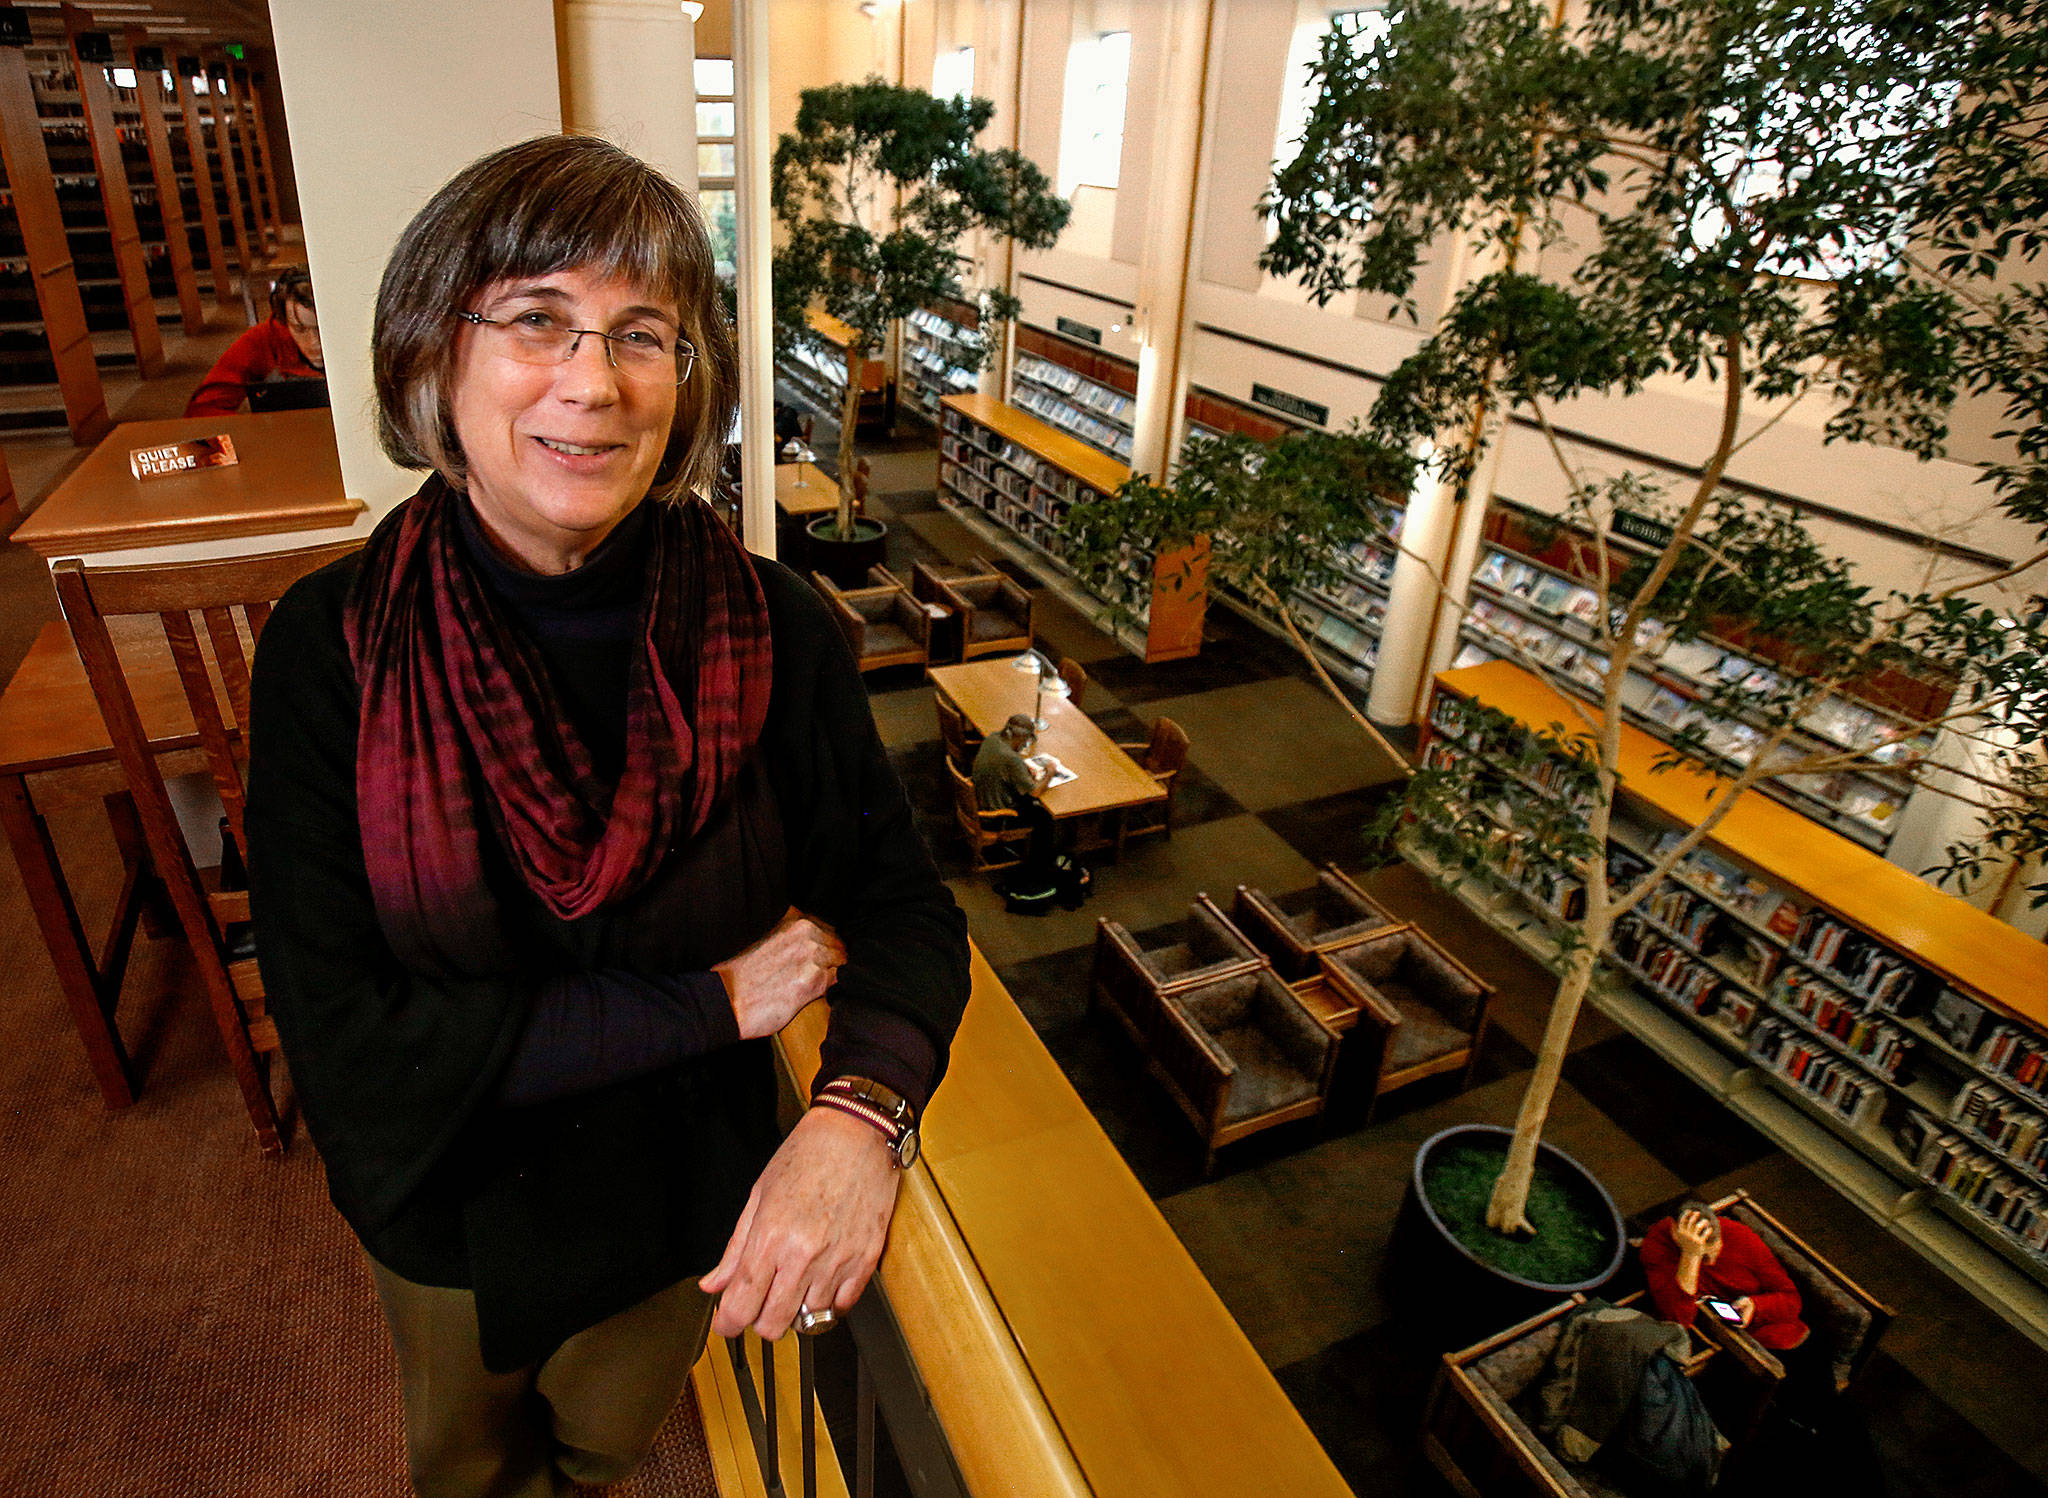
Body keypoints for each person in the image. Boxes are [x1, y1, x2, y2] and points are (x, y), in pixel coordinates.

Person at [245, 135, 969, 1498]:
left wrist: (859, 1111)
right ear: (429, 356)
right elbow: (352, 1044)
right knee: (466, 1467)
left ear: (686, 385)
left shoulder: (775, 628)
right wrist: (708, 1002)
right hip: (447, 1205)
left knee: (606, 1448)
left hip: (679, 1200)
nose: (594, 381)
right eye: (537, 320)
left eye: (645, 333)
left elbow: (904, 911)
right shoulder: (329, 649)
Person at [185, 266, 326, 415]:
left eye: (323, 330)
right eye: (299, 329)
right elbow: (203, 410)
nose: (314, 342)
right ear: (284, 320)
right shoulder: (262, 341)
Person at [971, 712, 1059, 893]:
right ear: (1018, 737)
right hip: (996, 816)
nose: (1025, 744)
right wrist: (1050, 773)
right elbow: (1034, 791)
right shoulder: (1011, 758)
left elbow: (1008, 769)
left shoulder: (993, 739)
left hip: (981, 798)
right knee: (1045, 819)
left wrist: (1022, 770)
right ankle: (1037, 868)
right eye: (1025, 740)